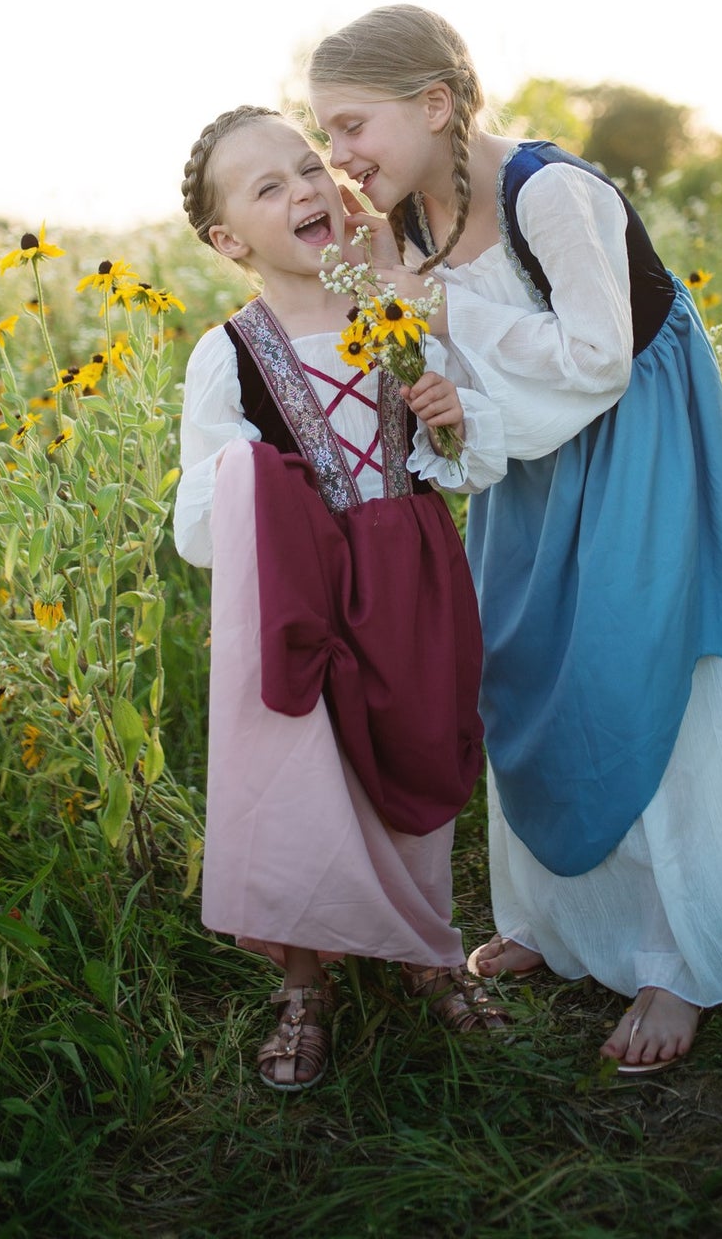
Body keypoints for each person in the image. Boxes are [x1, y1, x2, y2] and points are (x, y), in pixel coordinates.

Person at [307, 6, 722, 1074]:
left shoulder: (550, 195)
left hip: (634, 447)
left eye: (350, 128)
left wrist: (437, 307)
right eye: (323, 140)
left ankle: (681, 954)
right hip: (518, 463)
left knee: (641, 676)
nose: (338, 159)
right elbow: (424, 349)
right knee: (521, 672)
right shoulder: (402, 224)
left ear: (433, 105)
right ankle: (559, 923)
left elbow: (596, 358)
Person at [173, 105, 512, 1092]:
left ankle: (427, 949)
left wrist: (452, 419)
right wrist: (248, 474)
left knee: (418, 751)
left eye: (308, 166)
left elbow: (462, 458)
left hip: (410, 570)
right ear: (230, 240)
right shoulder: (228, 352)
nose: (305, 190)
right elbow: (200, 519)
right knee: (309, 778)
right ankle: (306, 981)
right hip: (306, 592)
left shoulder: (394, 312)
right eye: (268, 187)